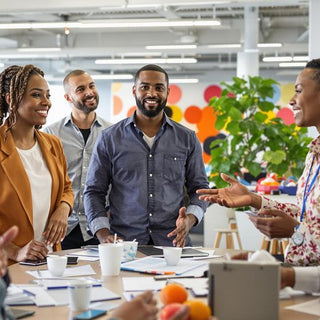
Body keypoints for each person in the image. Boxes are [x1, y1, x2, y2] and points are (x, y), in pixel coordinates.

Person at [197, 58, 320, 266]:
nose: (291, 100)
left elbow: (301, 227)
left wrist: (295, 232)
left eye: (298, 90)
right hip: (303, 278)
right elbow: (307, 216)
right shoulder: (314, 153)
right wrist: (253, 199)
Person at [84, 64, 209, 247]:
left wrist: (189, 220)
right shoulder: (109, 138)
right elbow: (94, 191)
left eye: (159, 88)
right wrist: (102, 234)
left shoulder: (187, 138)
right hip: (124, 244)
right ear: (134, 90)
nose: (152, 93)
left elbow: (200, 189)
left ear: (168, 92)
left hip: (173, 244)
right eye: (145, 87)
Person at [0, 64, 74, 263]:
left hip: (51, 260)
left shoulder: (52, 144)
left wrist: (63, 209)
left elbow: (66, 188)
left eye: (48, 95)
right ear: (11, 99)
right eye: (36, 95)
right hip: (9, 266)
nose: (46, 102)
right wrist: (15, 251)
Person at [44, 70, 112, 249]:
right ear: (68, 97)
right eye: (80, 89)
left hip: (102, 227)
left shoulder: (112, 133)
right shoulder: (51, 134)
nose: (89, 92)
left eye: (91, 86)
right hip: (63, 227)